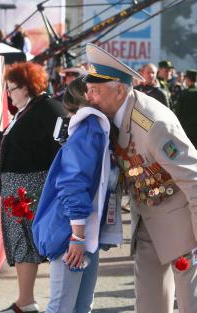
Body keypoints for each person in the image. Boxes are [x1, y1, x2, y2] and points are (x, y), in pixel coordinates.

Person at [84, 43, 197, 313]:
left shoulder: (152, 123)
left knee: (195, 304)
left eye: (95, 91)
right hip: (147, 223)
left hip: (183, 226)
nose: (90, 98)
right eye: (89, 90)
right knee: (148, 303)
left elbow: (196, 176)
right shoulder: (114, 116)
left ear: (119, 90)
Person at [32, 75, 122, 313]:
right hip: (73, 234)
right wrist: (78, 236)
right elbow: (72, 183)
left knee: (76, 306)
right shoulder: (91, 129)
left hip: (79, 234)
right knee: (65, 307)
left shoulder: (93, 128)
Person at [0, 62, 64, 313]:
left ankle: (27, 302)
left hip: (30, 188)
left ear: (26, 87)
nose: (9, 94)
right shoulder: (27, 110)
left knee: (28, 243)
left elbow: (60, 148)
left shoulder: (48, 109)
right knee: (22, 244)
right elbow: (15, 141)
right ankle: (25, 300)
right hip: (20, 188)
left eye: (11, 89)